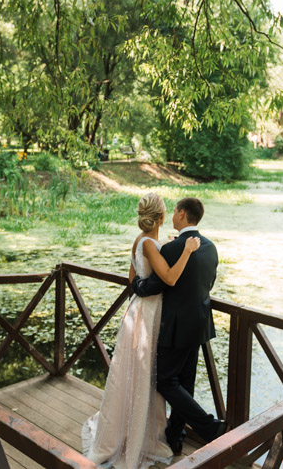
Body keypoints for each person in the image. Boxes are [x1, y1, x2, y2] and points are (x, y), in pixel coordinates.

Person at [82, 193, 202, 469]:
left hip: (138, 309)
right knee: (146, 371)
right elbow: (170, 278)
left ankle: (133, 425)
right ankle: (138, 434)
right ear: (161, 217)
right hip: (148, 314)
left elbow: (132, 280)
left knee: (136, 372)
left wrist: (166, 252)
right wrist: (186, 250)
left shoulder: (142, 241)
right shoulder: (151, 244)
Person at [130, 197, 226, 456]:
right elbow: (209, 282)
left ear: (182, 214)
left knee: (164, 380)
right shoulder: (211, 247)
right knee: (186, 381)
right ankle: (175, 436)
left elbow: (155, 285)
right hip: (200, 325)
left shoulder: (171, 250)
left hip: (173, 327)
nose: (172, 215)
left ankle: (209, 427)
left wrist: (135, 287)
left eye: (174, 211)